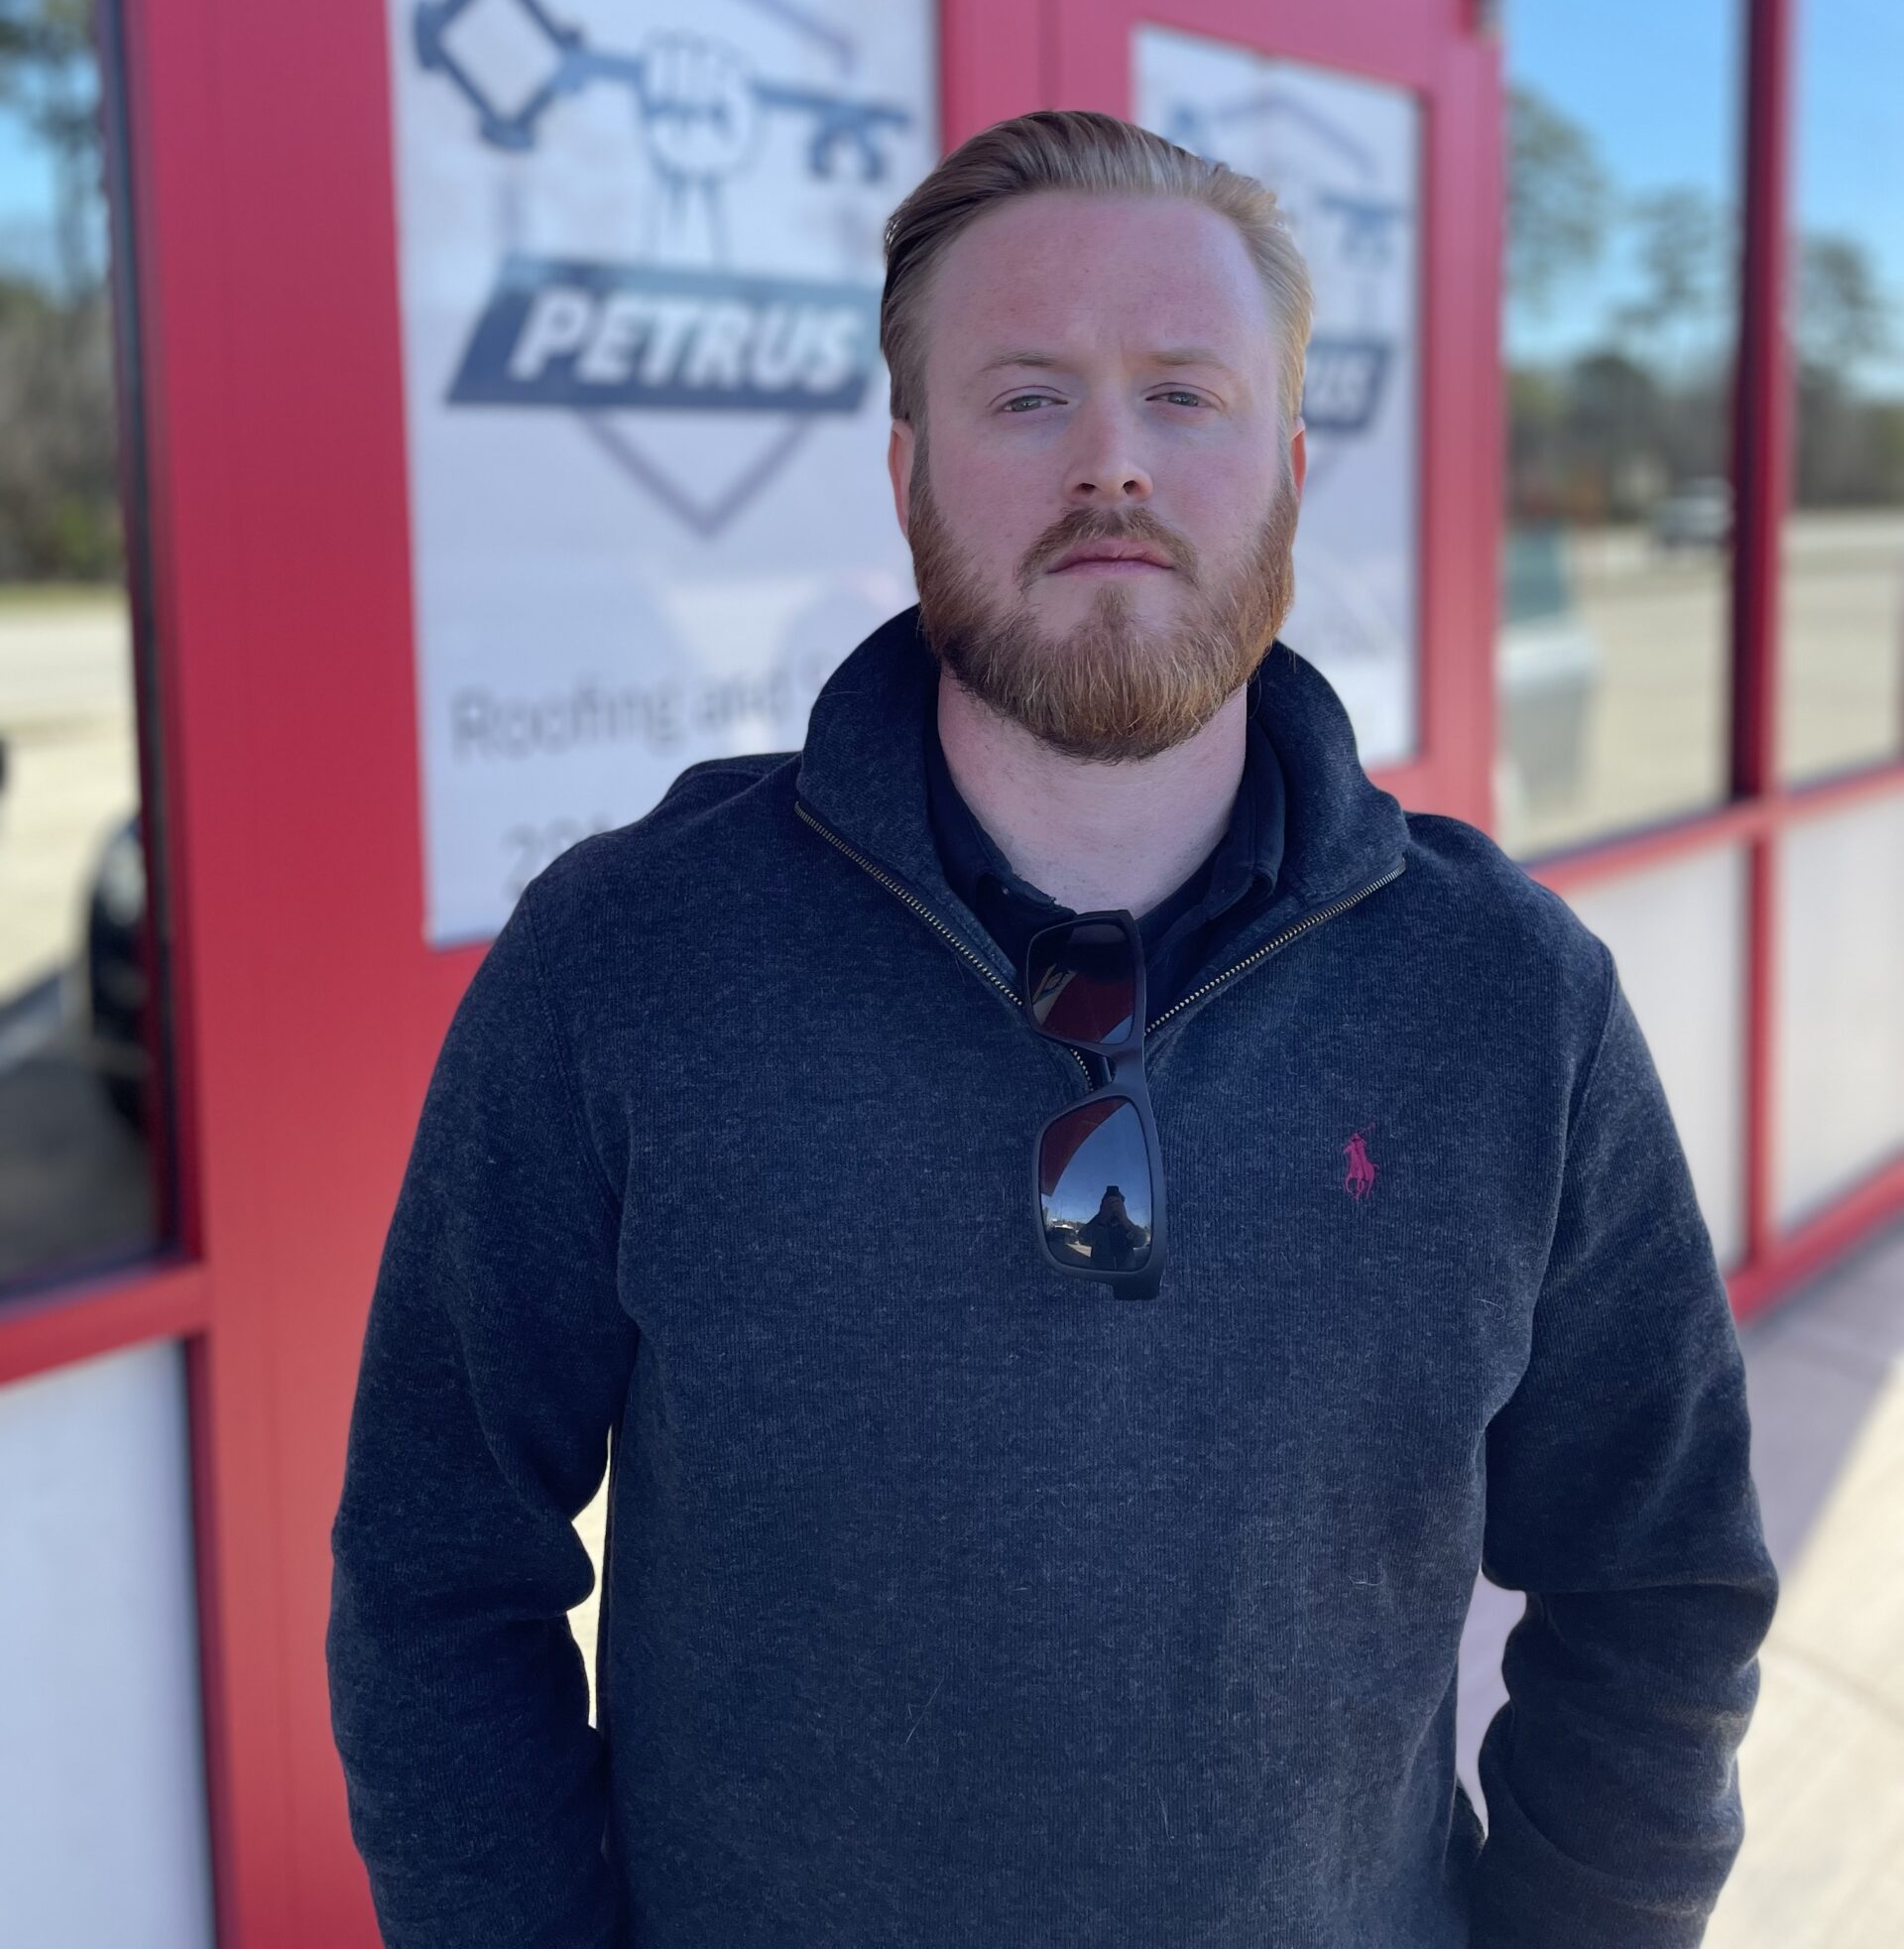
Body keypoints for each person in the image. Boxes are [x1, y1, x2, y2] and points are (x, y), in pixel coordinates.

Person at [328, 110, 1777, 1948]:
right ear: (907, 466)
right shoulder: (622, 965)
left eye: (1186, 395)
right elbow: (435, 1575)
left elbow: (1658, 1585)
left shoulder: (1511, 1004)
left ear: (1292, 468)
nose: (1113, 465)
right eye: (1027, 399)